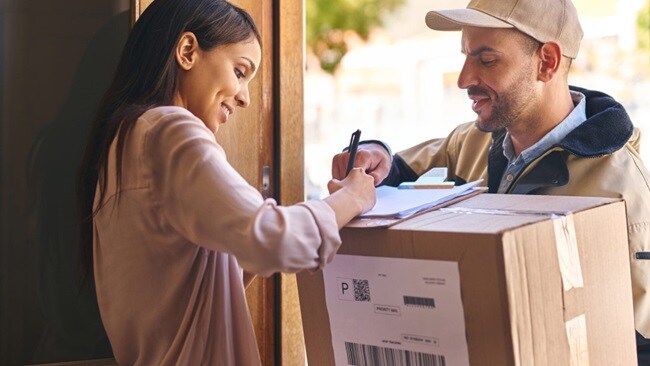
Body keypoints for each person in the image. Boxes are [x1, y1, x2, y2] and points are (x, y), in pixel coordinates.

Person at [331, 0, 650, 362]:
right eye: (465, 57)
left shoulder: (622, 191)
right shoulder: (473, 141)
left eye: (486, 61)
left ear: (547, 62)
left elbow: (638, 344)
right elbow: (400, 168)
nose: (464, 79)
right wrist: (376, 154)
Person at [76, 0, 376, 364]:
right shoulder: (170, 130)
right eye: (239, 71)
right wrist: (352, 198)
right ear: (187, 51)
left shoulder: (123, 142)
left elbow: (186, 288)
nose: (246, 97)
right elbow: (274, 239)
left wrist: (247, 244)